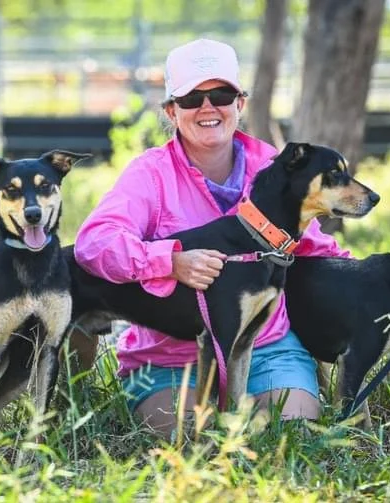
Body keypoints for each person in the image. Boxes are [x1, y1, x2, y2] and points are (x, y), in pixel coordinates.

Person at [74, 39, 349, 437]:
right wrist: (170, 261)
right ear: (172, 111)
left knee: (289, 434)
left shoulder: (271, 165)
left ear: (240, 103)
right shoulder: (150, 173)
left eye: (221, 94)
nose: (207, 107)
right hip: (170, 358)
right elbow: (94, 243)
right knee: (190, 437)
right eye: (191, 98)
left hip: (266, 350)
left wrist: (389, 287)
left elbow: (314, 247)